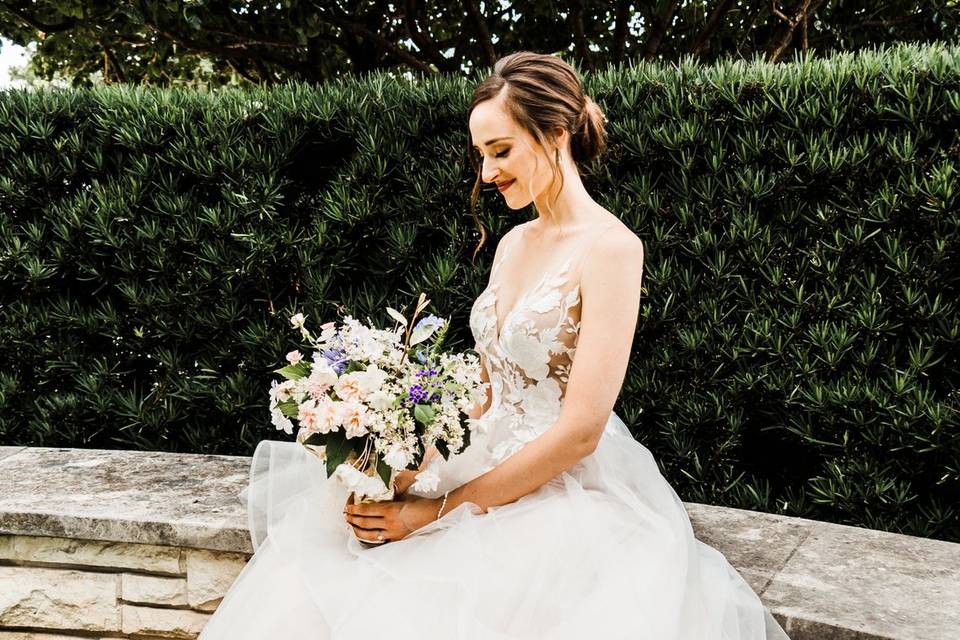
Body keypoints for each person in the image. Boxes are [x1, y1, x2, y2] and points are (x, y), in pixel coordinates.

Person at [199, 51, 791, 639]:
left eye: (501, 151)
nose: (486, 174)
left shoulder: (611, 249)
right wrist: (412, 464)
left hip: (556, 491)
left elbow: (581, 430)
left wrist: (433, 513)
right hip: (479, 455)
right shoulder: (512, 245)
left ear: (555, 133)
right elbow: (486, 389)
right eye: (481, 155)